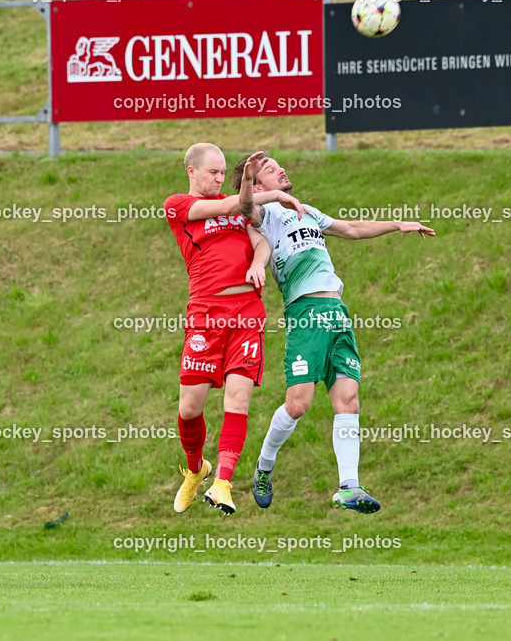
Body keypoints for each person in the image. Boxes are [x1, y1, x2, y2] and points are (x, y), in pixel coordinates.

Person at [231, 152, 434, 513]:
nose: (280, 168)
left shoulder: (304, 209)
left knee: (349, 401)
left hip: (337, 313)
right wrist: (247, 179)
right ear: (260, 183)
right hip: (305, 314)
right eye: (269, 168)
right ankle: (264, 467)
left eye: (277, 164)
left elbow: (351, 229)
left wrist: (397, 224)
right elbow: (246, 207)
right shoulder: (266, 216)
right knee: (298, 405)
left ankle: (349, 487)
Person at [164, 143, 307, 515]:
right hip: (206, 314)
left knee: (238, 399)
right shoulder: (178, 205)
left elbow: (260, 241)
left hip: (246, 311)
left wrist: (259, 263)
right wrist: (269, 192)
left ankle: (224, 484)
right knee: (190, 408)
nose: (218, 178)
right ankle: (196, 470)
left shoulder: (238, 209)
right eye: (212, 172)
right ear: (192, 171)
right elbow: (233, 205)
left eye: (223, 172)